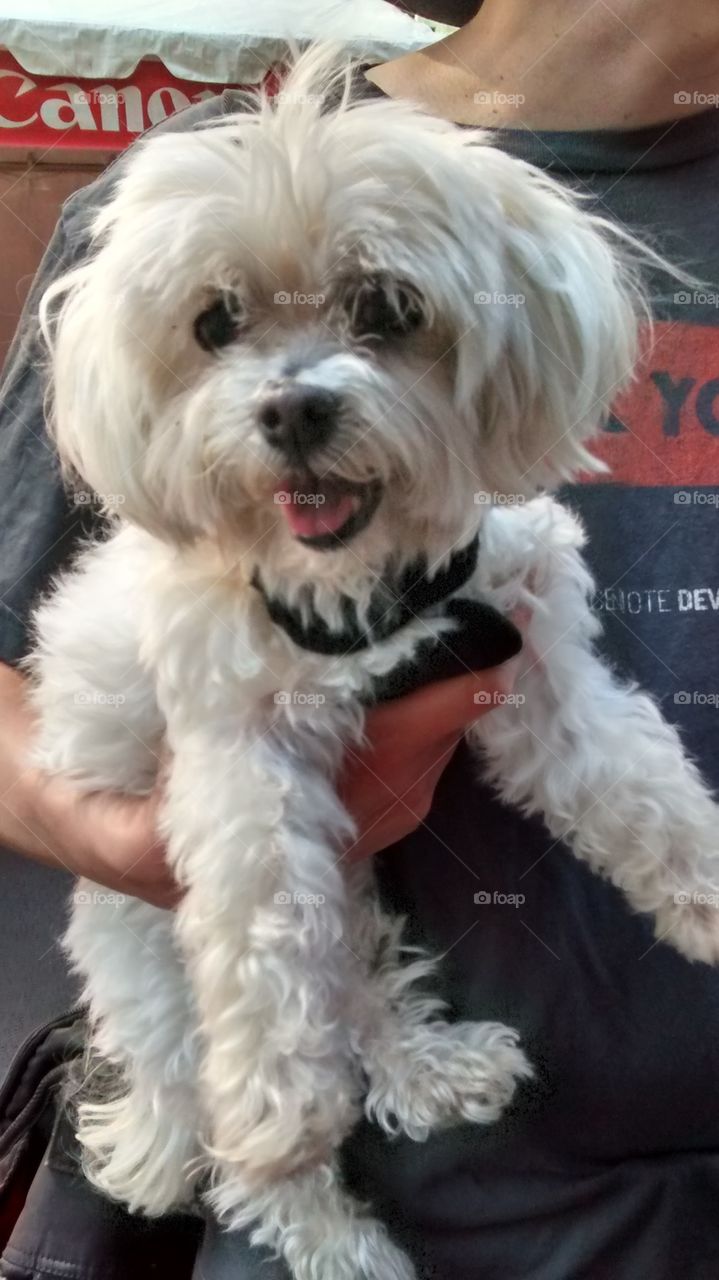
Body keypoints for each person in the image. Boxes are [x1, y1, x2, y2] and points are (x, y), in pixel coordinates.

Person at [1, 1, 718, 1277]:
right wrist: (127, 842)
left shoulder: (513, 543)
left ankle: (393, 1048)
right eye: (221, 329)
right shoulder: (177, 196)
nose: (292, 400)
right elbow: (241, 879)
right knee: (272, 905)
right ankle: (293, 1187)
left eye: (384, 314)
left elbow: (576, 724)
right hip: (418, 1206)